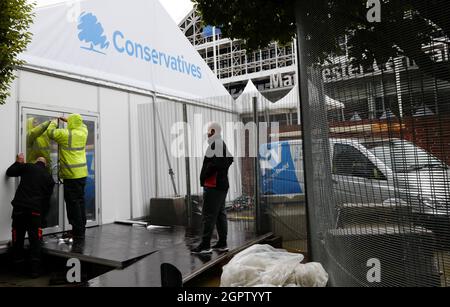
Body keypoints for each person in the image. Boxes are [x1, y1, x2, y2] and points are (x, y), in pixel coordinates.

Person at [6, 153, 55, 278]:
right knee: (35, 241)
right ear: (45, 165)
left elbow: (10, 172)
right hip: (35, 211)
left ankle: (17, 268)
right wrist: (42, 218)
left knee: (18, 238)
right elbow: (46, 201)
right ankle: (35, 271)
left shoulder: (28, 167)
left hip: (19, 208)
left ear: (36, 162)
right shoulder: (49, 178)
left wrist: (19, 162)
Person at [192, 122, 234, 254]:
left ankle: (205, 245)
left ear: (214, 131)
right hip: (221, 185)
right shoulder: (219, 143)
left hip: (214, 186)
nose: (207, 133)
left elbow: (219, 163)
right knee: (220, 214)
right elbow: (229, 159)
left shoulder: (217, 144)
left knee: (208, 215)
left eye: (209, 131)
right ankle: (222, 243)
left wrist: (206, 174)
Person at [47, 114, 88, 243]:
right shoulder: (83, 132)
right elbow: (83, 125)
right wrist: (70, 120)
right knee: (80, 201)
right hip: (82, 173)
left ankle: (77, 232)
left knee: (73, 204)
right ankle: (81, 229)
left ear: (71, 122)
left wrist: (54, 121)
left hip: (71, 174)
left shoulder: (66, 134)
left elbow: (51, 132)